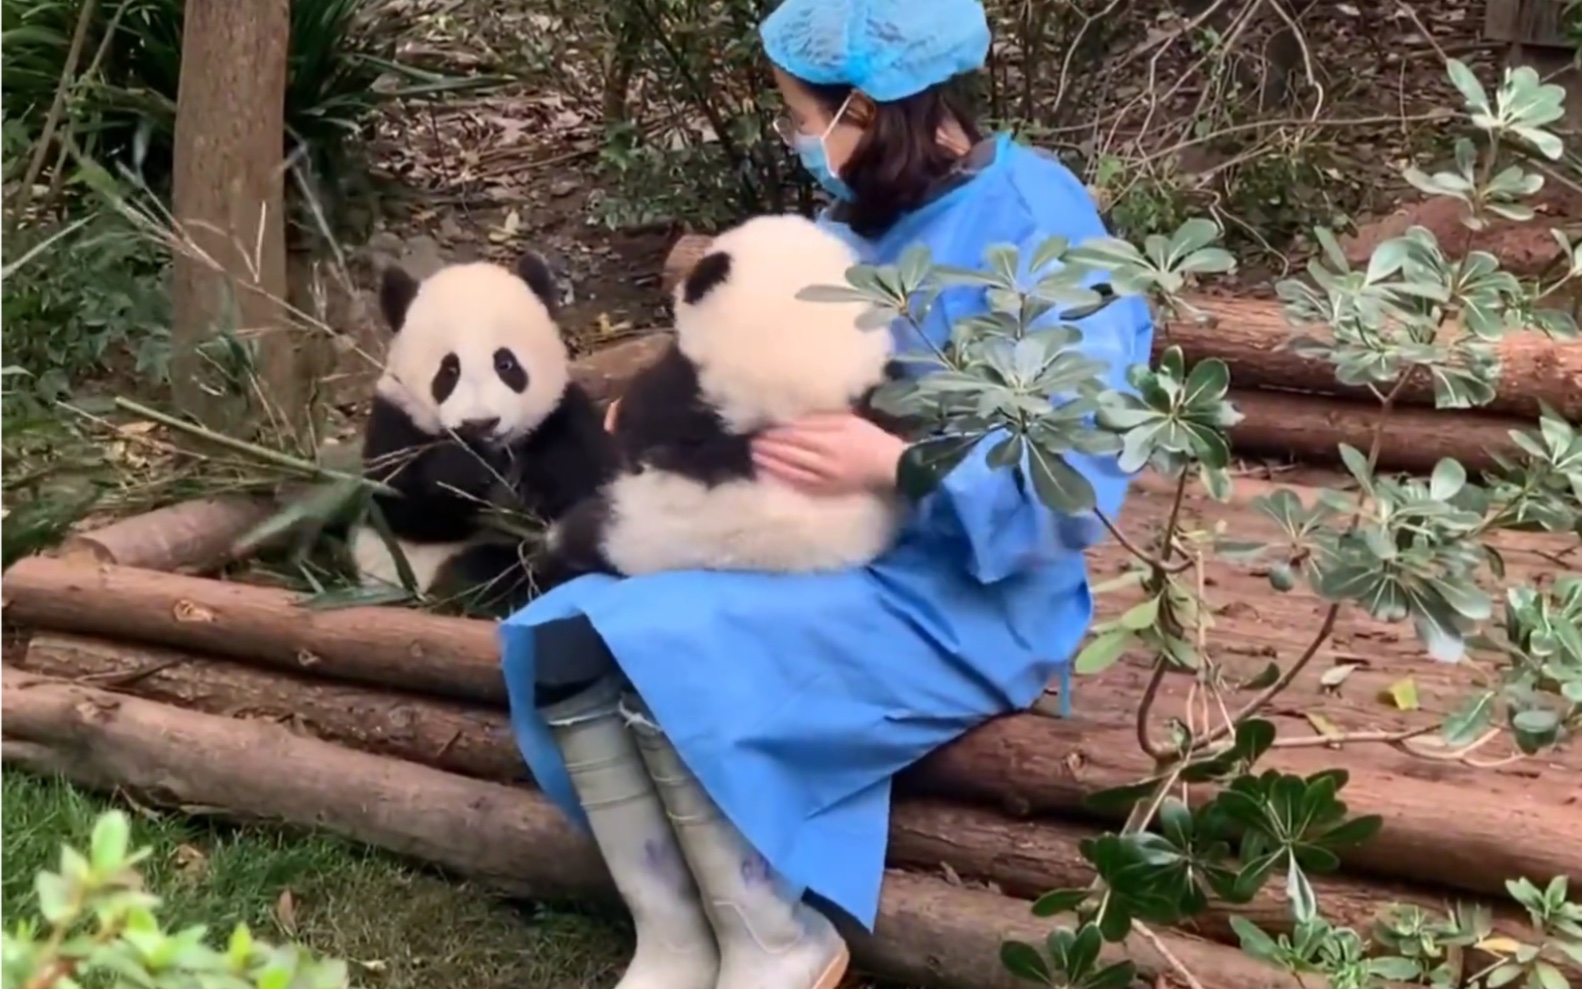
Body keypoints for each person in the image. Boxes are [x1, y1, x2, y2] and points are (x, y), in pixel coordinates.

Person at [498, 0, 1156, 987]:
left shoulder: (1036, 228)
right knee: (567, 628)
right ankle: (675, 929)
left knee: (666, 638)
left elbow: (1072, 488)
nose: (796, 140)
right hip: (821, 553)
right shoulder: (854, 221)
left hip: (967, 599)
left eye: (803, 118)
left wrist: (894, 468)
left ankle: (774, 934)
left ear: (866, 108)